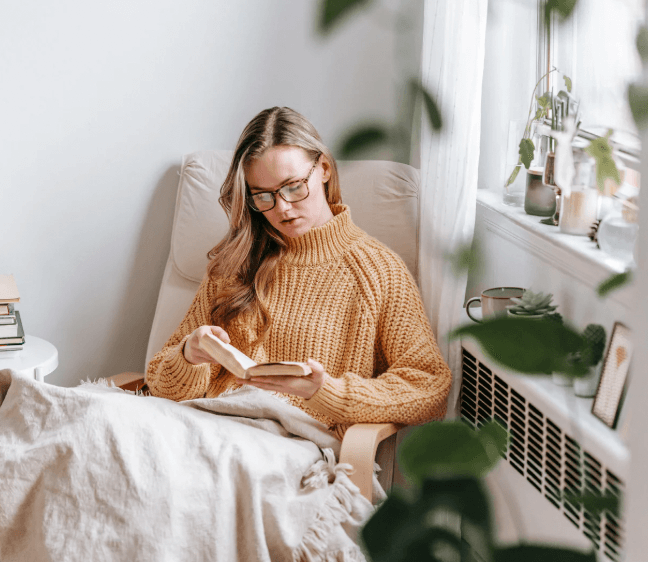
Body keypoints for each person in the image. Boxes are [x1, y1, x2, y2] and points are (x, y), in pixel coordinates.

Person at [146, 107, 451, 439]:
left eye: (292, 187)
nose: (282, 209)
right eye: (262, 196)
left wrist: (327, 392)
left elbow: (429, 387)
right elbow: (160, 382)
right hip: (204, 427)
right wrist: (188, 357)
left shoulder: (379, 271)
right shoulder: (236, 263)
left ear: (323, 168)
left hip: (288, 445)